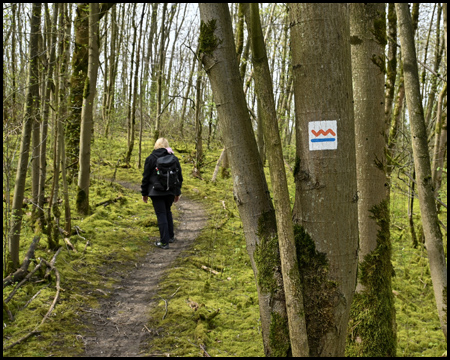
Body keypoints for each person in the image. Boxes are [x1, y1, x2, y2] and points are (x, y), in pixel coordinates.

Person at [141, 138, 183, 249]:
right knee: (167, 211)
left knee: (161, 214)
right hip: (170, 191)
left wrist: (144, 193)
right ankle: (170, 236)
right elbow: (179, 178)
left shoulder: (150, 158)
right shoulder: (174, 159)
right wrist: (177, 193)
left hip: (156, 192)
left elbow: (145, 178)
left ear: (156, 146)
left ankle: (164, 242)